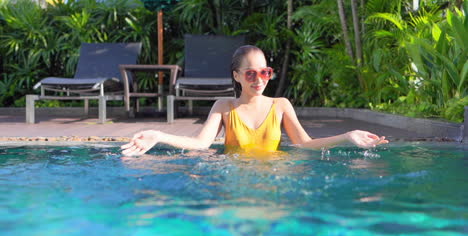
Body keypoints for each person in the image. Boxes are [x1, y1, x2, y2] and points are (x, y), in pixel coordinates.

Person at [121, 45, 388, 156]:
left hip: (275, 180)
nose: (259, 79)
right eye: (250, 73)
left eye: (264, 72)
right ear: (237, 76)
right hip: (235, 180)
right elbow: (201, 144)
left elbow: (305, 144)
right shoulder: (224, 107)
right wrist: (158, 135)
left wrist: (348, 136)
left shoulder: (280, 105)